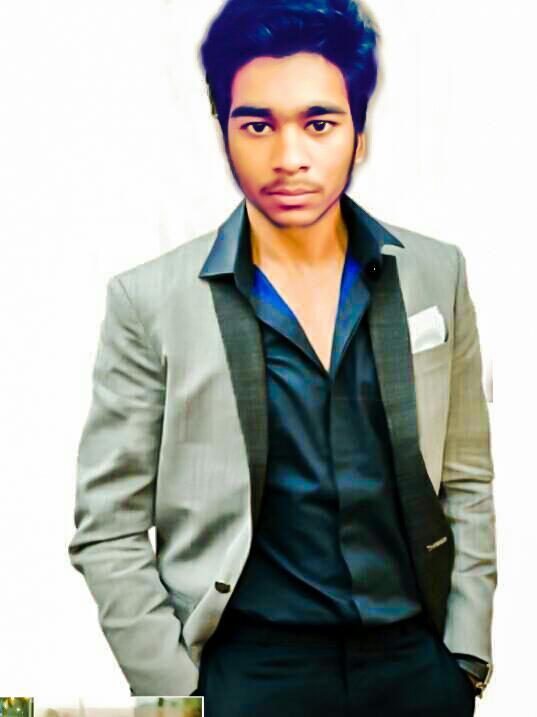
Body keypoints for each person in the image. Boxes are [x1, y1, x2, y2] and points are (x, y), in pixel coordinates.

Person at [68, 1, 497, 713]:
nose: (288, 156)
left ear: (359, 134)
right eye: (257, 125)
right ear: (224, 133)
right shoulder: (148, 300)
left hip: (414, 664)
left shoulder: (435, 273)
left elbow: (467, 477)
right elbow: (108, 524)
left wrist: (466, 657)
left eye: (318, 123)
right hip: (248, 671)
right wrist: (178, 691)